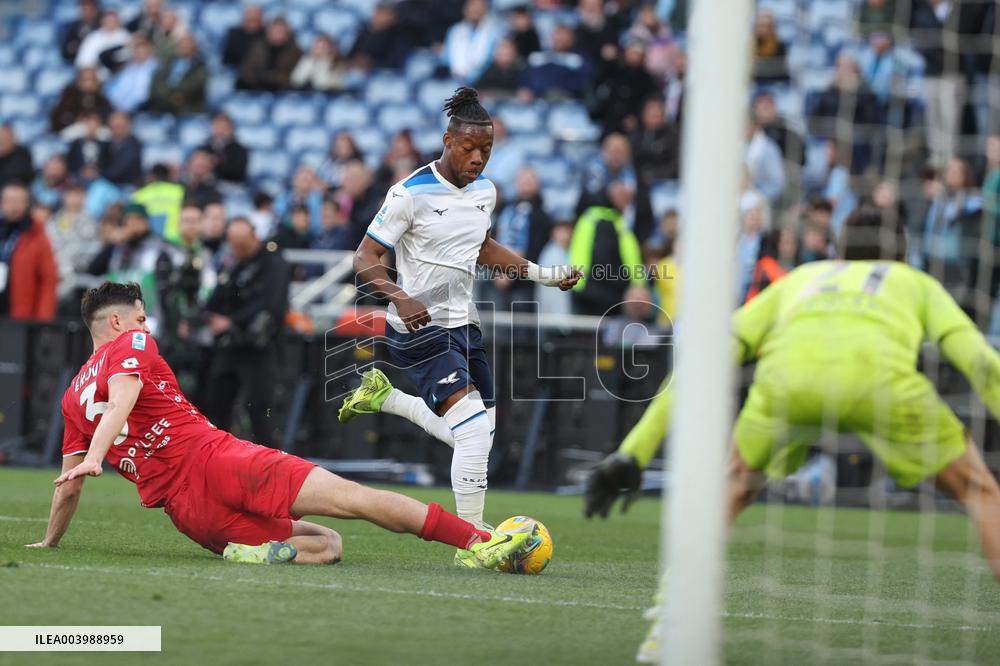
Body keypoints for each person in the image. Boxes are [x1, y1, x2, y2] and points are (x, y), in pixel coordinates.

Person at [584, 209, 1000, 661]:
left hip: (787, 385)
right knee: (979, 490)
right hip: (882, 384)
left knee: (734, 483)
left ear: (839, 249)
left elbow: (709, 358)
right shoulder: (913, 281)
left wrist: (633, 453)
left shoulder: (802, 278)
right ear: (902, 253)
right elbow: (980, 362)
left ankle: (670, 624)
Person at [28, 281, 531, 569]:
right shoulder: (131, 346)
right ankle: (477, 542)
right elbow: (124, 396)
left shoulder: (72, 396)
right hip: (218, 461)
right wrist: (97, 456)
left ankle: (266, 554)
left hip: (190, 516)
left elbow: (67, 489)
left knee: (328, 543)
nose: (146, 328)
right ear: (118, 323)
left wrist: (51, 541)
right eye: (141, 319)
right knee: (353, 499)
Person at [338, 89, 580, 548]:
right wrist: (398, 296)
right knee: (471, 432)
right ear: (448, 140)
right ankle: (476, 541)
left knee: (478, 436)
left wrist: (545, 276)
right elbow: (365, 257)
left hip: (464, 325)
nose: (477, 158)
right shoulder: (408, 193)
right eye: (468, 148)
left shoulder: (486, 191)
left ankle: (387, 398)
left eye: (486, 151)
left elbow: (483, 247)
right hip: (417, 327)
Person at [202, 218, 289, 448]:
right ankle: (217, 460)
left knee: (260, 409)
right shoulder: (233, 265)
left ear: (254, 237)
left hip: (259, 348)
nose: (239, 249)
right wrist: (204, 317)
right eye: (234, 244)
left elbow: (271, 305)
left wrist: (230, 322)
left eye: (243, 244)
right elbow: (216, 299)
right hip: (229, 348)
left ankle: (271, 468)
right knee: (217, 403)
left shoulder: (273, 263)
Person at [0, 183, 59, 320]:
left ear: (27, 204)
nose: (13, 207)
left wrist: (43, 319)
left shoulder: (37, 234)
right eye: (9, 201)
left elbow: (48, 280)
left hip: (20, 314)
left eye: (18, 202)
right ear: (2, 203)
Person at [441, 0, 501, 85]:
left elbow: (494, 60)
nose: (475, 10)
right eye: (472, 6)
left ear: (486, 9)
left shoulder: (495, 31)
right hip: (454, 80)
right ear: (465, 9)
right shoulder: (455, 30)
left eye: (479, 7)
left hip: (486, 81)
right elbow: (446, 59)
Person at [236, 17, 303, 91]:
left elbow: (294, 77)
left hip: (282, 91)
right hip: (256, 88)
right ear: (268, 33)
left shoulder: (295, 52)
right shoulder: (257, 48)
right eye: (275, 32)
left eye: (281, 32)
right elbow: (246, 71)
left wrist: (269, 78)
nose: (278, 35)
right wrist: (259, 78)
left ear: (287, 34)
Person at [147, 35, 208, 115]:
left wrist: (176, 94)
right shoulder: (168, 62)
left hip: (186, 110)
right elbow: (156, 83)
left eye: (187, 47)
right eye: (181, 47)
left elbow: (192, 85)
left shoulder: (200, 67)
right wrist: (168, 95)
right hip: (162, 106)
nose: (183, 49)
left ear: (194, 50)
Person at [104, 35, 159, 113]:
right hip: (118, 108)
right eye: (137, 51)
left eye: (143, 51)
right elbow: (111, 88)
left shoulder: (156, 67)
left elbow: (144, 94)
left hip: (143, 109)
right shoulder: (128, 67)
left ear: (149, 51)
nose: (140, 54)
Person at [49, 67, 112, 133]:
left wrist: (97, 121)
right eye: (85, 80)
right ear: (78, 82)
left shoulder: (102, 100)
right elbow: (59, 120)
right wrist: (77, 120)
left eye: (92, 80)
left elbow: (109, 118)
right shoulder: (69, 98)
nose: (89, 84)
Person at [198, 112, 247, 185]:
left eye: (224, 128)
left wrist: (216, 162)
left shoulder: (239, 150)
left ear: (231, 129)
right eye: (217, 127)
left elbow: (238, 173)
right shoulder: (204, 147)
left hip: (228, 186)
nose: (220, 131)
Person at [103, 111, 144, 187]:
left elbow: (120, 169)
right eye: (113, 127)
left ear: (127, 125)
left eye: (119, 127)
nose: (115, 130)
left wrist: (100, 175)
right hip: (111, 184)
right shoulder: (108, 143)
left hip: (128, 185)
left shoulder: (134, 144)